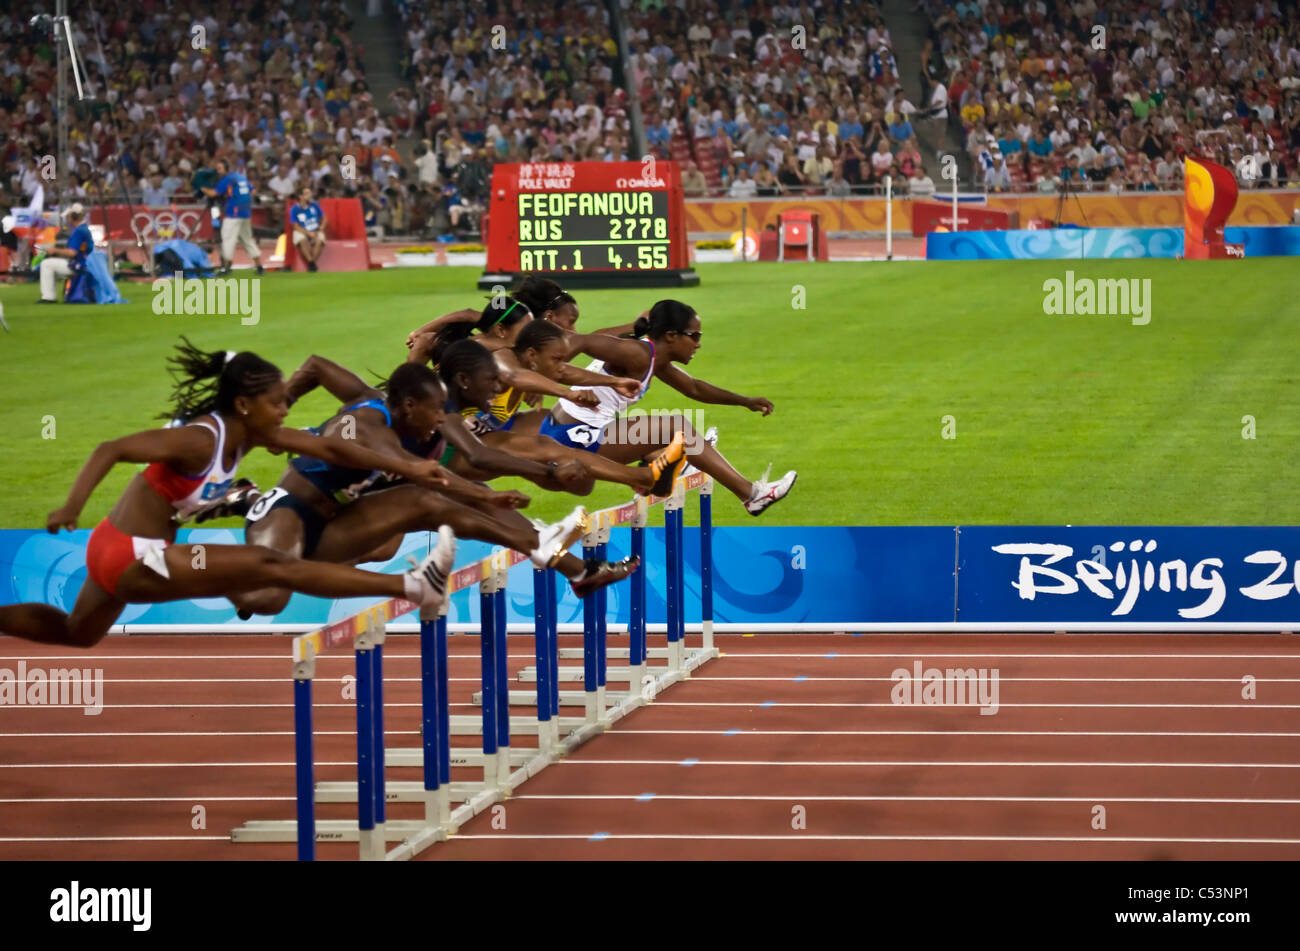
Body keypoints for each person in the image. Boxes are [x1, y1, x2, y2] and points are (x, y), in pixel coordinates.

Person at [0, 340, 459, 648]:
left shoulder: (255, 435)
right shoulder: (202, 439)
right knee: (276, 566)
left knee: (77, 632)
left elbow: (326, 446)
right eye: (277, 402)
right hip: (131, 555)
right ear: (244, 405)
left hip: (121, 549)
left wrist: (408, 466)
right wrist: (70, 506)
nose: (285, 409)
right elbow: (112, 448)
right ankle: (416, 586)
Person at [231, 357, 640, 616]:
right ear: (410, 406)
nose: (439, 423)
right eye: (434, 415)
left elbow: (318, 367)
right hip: (291, 510)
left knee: (442, 506)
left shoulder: (428, 419)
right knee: (265, 600)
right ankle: (242, 504)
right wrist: (277, 413)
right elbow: (423, 468)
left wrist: (490, 498)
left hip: (341, 520)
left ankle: (575, 569)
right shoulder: (373, 423)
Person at [539, 300, 797, 516]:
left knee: (676, 436)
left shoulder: (655, 360)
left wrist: (744, 401)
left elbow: (694, 388)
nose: (698, 343)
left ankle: (668, 465)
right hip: (569, 439)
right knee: (677, 428)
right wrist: (548, 375)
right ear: (672, 336)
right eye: (694, 335)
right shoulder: (637, 353)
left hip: (578, 435)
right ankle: (751, 494)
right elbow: (584, 340)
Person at [201, 158, 264, 275]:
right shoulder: (241, 177)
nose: (218, 171)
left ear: (226, 168)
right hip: (245, 213)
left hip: (233, 214)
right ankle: (260, 267)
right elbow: (253, 191)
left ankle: (226, 267)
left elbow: (213, 193)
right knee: (247, 240)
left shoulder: (228, 179)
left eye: (220, 168)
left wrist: (202, 188)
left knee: (227, 239)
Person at [35, 203, 94, 304]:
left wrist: (55, 251)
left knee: (46, 264)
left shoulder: (78, 231)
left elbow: (72, 253)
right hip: (84, 264)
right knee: (51, 265)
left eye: (68, 216)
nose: (67, 218)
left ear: (73, 217)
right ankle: (53, 295)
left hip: (79, 265)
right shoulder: (84, 229)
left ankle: (49, 297)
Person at [290, 186, 328, 272]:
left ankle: (311, 263)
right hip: (302, 230)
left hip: (315, 229)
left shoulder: (314, 205)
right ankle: (312, 263)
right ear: (300, 196)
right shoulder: (294, 209)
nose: (310, 195)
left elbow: (324, 218)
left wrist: (321, 227)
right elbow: (295, 226)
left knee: (320, 240)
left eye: (310, 193)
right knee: (302, 240)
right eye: (307, 194)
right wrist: (308, 233)